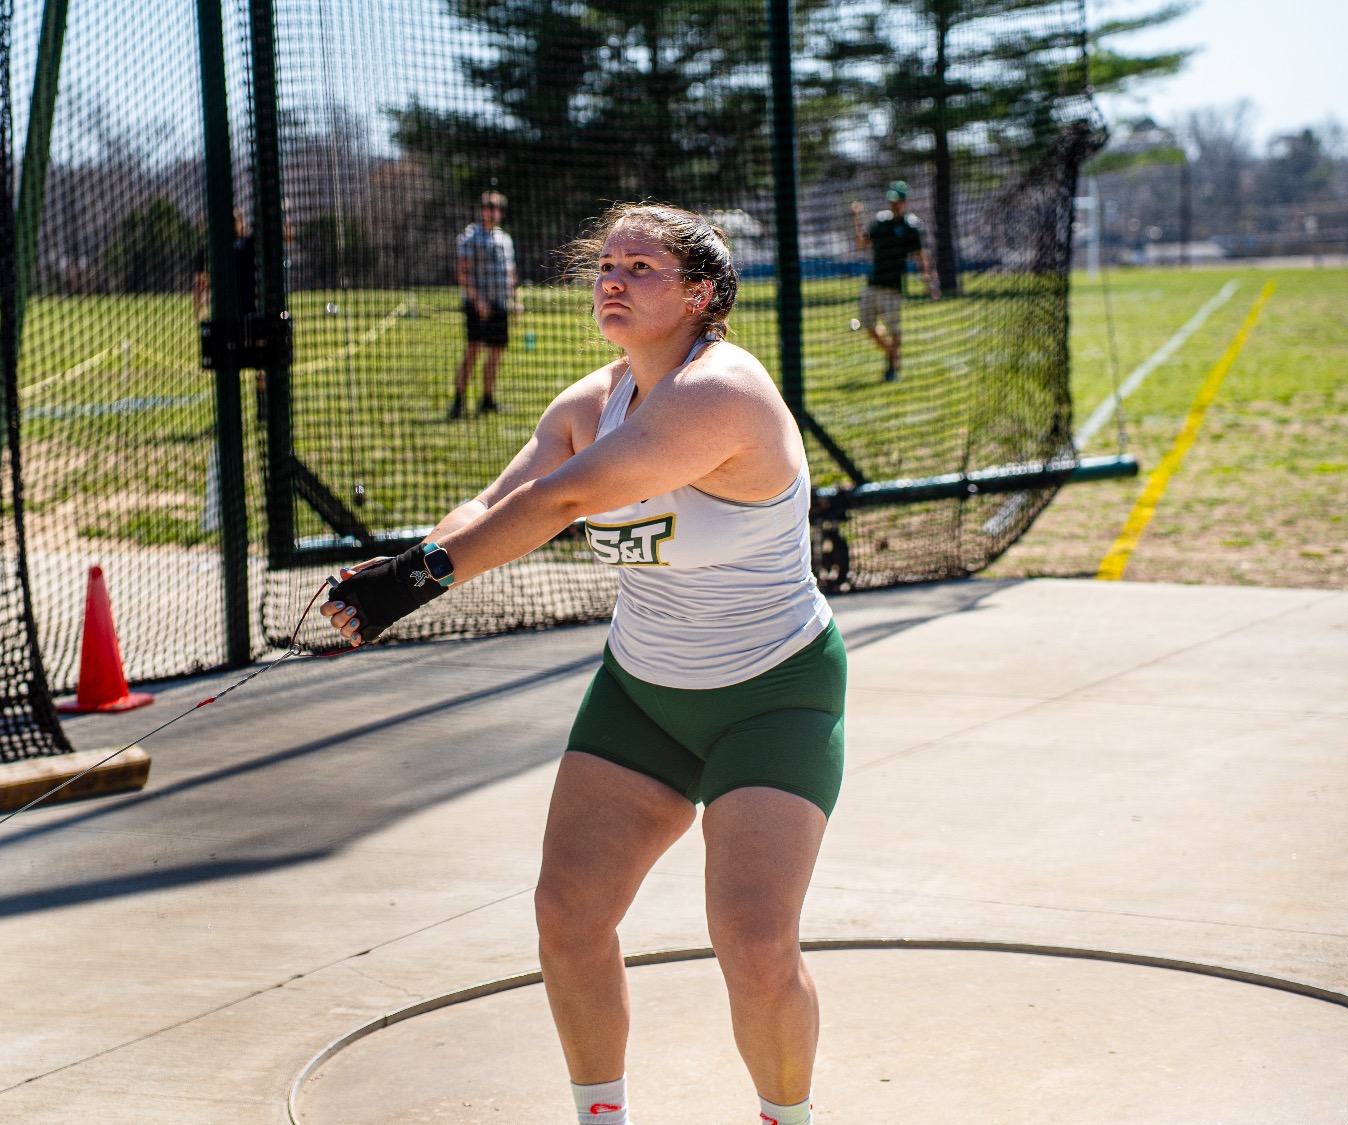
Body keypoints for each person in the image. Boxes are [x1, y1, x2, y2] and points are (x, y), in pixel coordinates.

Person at [321, 203, 843, 1125]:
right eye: (606, 263)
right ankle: (600, 1117)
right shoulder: (586, 403)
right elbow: (498, 500)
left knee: (756, 946)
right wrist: (393, 570)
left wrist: (417, 583)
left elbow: (565, 499)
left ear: (701, 294)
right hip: (642, 695)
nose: (613, 278)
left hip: (775, 695)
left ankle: (787, 1117)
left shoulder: (726, 391)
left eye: (642, 267)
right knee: (567, 916)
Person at [850, 180, 938, 382]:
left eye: (897, 200)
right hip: (874, 282)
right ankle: (893, 353)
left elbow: (920, 254)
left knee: (893, 328)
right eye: (891, 200)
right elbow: (861, 243)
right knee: (867, 326)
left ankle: (892, 368)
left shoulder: (911, 226)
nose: (893, 204)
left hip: (893, 286)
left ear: (904, 201)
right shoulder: (881, 222)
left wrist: (929, 280)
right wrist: (856, 218)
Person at [453, 190, 521, 419]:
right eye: (489, 207)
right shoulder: (470, 237)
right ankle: (458, 401)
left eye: (497, 208)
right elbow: (462, 273)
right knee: (473, 352)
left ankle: (487, 399)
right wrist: (477, 301)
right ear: (482, 210)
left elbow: (511, 272)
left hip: (499, 304)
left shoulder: (504, 239)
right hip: (478, 306)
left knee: (495, 353)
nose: (493, 212)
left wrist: (515, 299)